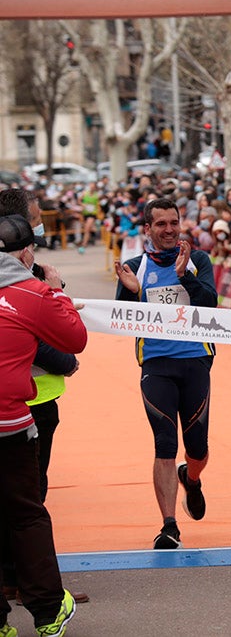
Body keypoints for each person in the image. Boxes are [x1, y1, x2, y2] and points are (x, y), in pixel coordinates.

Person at [114, 197, 218, 550]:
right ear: (148, 229)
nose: (170, 230)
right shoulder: (134, 266)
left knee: (198, 447)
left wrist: (184, 274)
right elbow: (122, 321)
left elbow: (210, 304)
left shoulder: (198, 259)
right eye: (161, 224)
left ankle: (192, 476)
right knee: (164, 443)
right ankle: (169, 525)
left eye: (173, 222)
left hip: (195, 361)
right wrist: (132, 293)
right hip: (156, 364)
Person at [0, 213, 84, 637]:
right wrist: (55, 293)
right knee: (26, 514)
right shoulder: (30, 292)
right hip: (10, 422)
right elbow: (74, 340)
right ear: (27, 251)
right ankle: (48, 611)